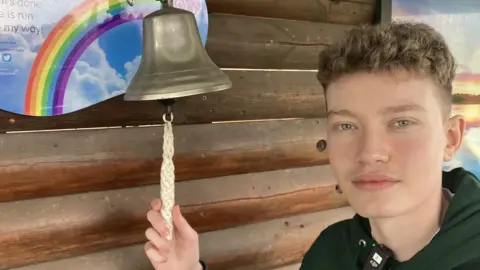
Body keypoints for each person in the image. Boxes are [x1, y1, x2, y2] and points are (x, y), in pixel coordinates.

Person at [143, 21, 480, 270]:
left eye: (401, 122)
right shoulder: (332, 252)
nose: (370, 152)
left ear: (450, 138)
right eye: (347, 125)